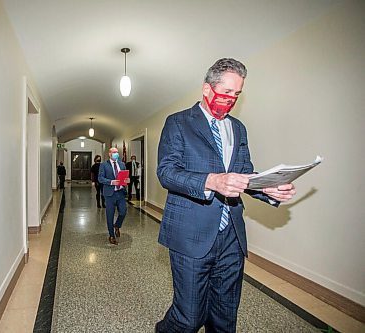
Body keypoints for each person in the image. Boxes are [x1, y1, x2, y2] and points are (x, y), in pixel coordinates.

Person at [155, 58, 296, 333]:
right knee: (189, 318)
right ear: (207, 89)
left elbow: (244, 173)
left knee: (224, 317)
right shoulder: (179, 123)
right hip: (191, 235)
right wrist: (211, 180)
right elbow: (167, 172)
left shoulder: (238, 128)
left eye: (237, 95)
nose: (231, 100)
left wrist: (267, 188)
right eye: (226, 92)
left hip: (231, 235)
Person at [98, 147, 129, 245]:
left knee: (123, 212)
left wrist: (126, 180)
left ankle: (117, 225)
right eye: (114, 152)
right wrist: (111, 182)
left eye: (117, 152)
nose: (116, 154)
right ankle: (111, 235)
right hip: (109, 194)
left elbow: (125, 177)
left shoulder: (122, 164)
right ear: (110, 154)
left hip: (120, 192)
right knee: (110, 215)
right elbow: (100, 178)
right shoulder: (104, 165)